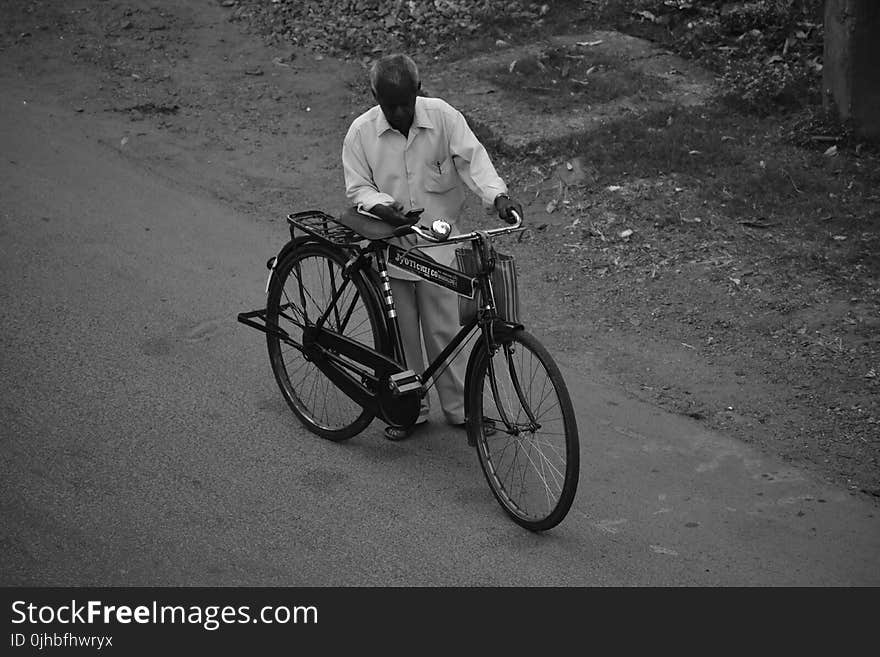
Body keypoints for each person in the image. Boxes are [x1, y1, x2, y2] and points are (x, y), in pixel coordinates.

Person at [341, 53, 522, 441]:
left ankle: (459, 410)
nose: (400, 111)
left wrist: (498, 197)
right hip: (391, 248)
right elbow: (358, 188)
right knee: (402, 336)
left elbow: (474, 160)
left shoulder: (443, 117)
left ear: (419, 92)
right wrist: (384, 209)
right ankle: (409, 409)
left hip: (441, 248)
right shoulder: (361, 133)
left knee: (446, 331)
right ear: (374, 96)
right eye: (390, 105)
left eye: (406, 102)